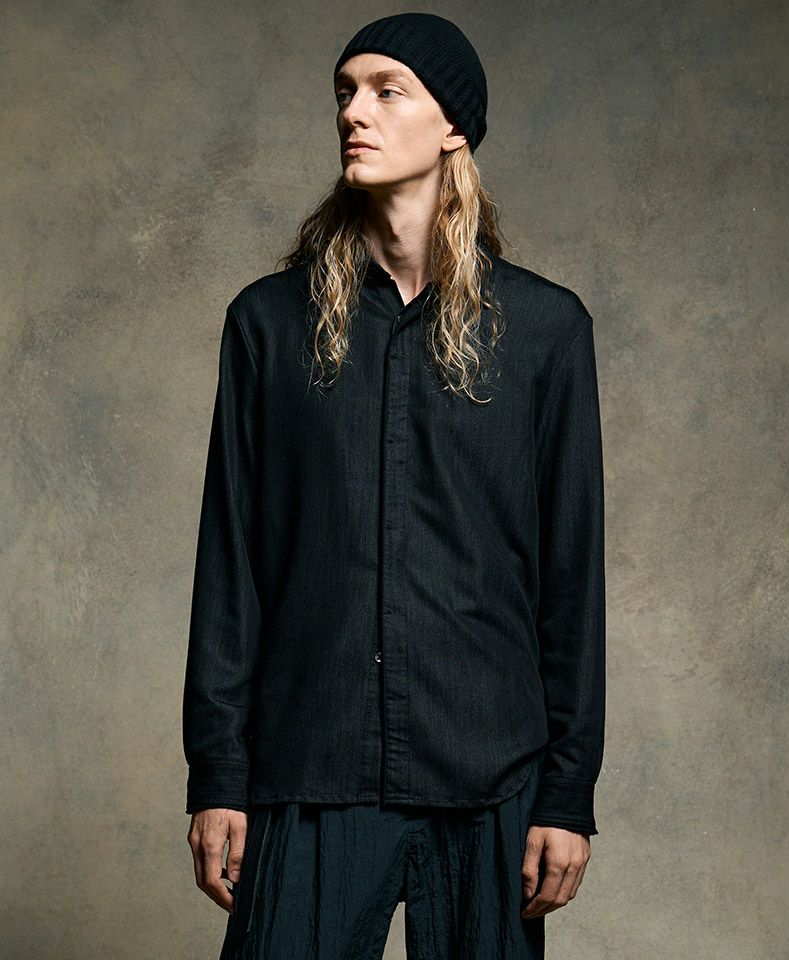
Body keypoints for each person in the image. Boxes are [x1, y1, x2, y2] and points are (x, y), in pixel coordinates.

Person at [182, 12, 606, 959]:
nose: (353, 113)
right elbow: (232, 568)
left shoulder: (545, 331)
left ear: (452, 126)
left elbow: (571, 580)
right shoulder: (267, 326)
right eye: (345, 92)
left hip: (492, 777)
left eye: (387, 90)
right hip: (310, 765)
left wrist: (567, 792)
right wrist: (217, 773)